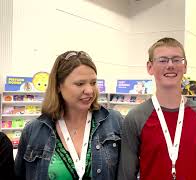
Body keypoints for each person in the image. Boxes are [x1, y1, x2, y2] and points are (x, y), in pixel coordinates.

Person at [15, 51, 122, 180]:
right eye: (80, 84)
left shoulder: (114, 122)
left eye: (93, 83)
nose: (89, 90)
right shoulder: (34, 130)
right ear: (59, 85)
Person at [118, 37, 196, 180]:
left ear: (185, 66)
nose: (170, 65)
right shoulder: (136, 117)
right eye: (162, 60)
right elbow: (126, 175)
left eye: (176, 60)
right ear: (150, 67)